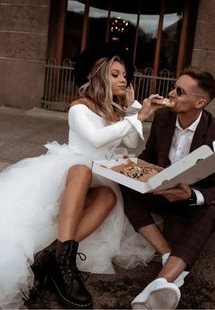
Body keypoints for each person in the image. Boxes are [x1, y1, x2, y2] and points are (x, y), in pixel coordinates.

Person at [0, 43, 161, 309]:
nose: (124, 79)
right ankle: (65, 266)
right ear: (99, 76)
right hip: (70, 173)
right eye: (116, 74)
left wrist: (133, 109)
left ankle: (55, 255)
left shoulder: (116, 111)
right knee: (81, 170)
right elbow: (97, 140)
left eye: (124, 75)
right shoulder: (79, 108)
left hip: (100, 175)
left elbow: (132, 144)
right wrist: (136, 117)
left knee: (108, 196)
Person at [120, 66, 215, 309]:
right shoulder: (163, 117)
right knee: (123, 185)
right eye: (174, 87)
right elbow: (149, 155)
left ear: (200, 102)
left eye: (180, 91)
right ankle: (166, 254)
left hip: (190, 200)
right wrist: (133, 167)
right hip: (161, 192)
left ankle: (161, 282)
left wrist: (192, 194)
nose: (171, 94)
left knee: (213, 209)